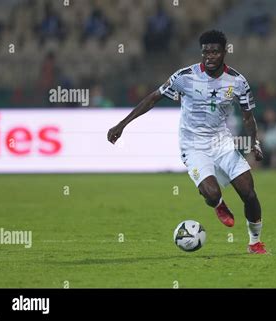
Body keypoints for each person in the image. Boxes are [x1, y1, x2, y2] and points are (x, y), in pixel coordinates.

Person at [107, 30, 267, 254]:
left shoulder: (238, 82)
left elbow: (247, 116)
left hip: (222, 142)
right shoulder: (185, 76)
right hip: (192, 144)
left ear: (224, 52)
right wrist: (122, 124)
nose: (209, 56)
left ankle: (255, 242)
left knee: (249, 192)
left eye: (214, 52)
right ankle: (219, 205)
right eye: (205, 52)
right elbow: (153, 98)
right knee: (211, 195)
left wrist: (255, 144)